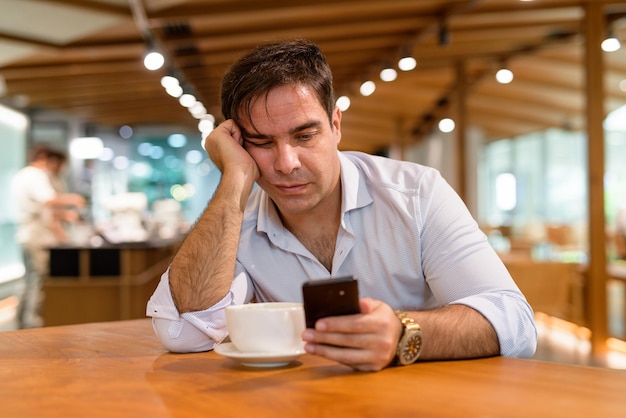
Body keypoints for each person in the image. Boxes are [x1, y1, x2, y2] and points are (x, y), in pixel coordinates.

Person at [147, 39, 537, 371]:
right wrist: (233, 180)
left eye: (304, 135)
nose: (286, 163)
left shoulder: (415, 193)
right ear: (238, 144)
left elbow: (515, 321)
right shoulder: (236, 224)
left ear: (335, 125)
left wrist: (405, 332)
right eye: (262, 143)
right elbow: (182, 332)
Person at [10, 144, 85, 328]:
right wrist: (74, 199)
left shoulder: (23, 175)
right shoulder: (35, 175)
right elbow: (48, 199)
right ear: (45, 158)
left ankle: (22, 322)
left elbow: (42, 208)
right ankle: (33, 324)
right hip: (37, 236)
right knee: (40, 281)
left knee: (29, 280)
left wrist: (64, 215)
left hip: (28, 234)